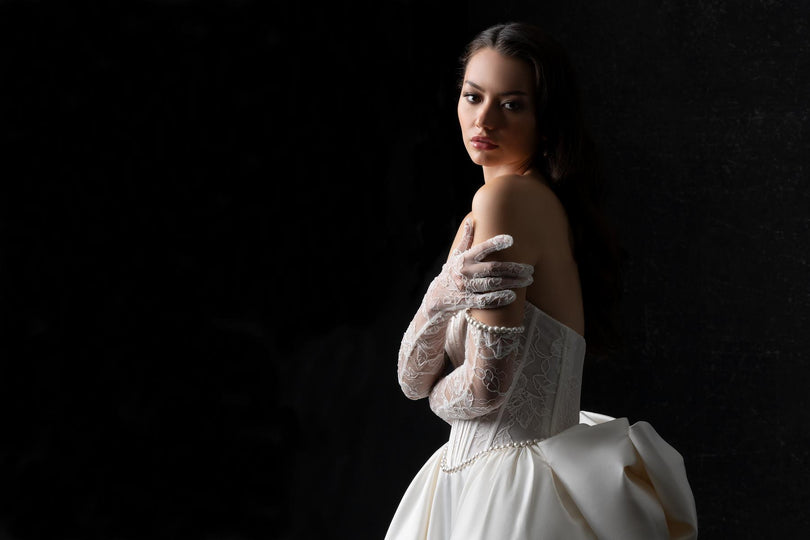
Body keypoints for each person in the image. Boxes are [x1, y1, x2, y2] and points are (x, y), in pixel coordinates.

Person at [385, 21, 698, 540]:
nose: (484, 119)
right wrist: (440, 301)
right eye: (473, 96)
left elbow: (484, 388)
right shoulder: (494, 212)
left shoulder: (505, 199)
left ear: (547, 120)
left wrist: (435, 393)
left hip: (509, 485)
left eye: (512, 105)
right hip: (478, 477)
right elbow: (409, 379)